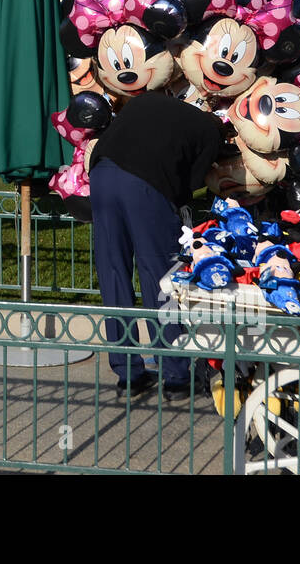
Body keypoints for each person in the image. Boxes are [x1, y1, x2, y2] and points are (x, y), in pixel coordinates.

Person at [88, 88, 226, 399]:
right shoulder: (210, 134)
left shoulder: (149, 100)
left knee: (113, 272)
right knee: (160, 277)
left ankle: (128, 374)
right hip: (146, 186)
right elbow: (190, 185)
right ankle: (175, 376)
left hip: (101, 174)